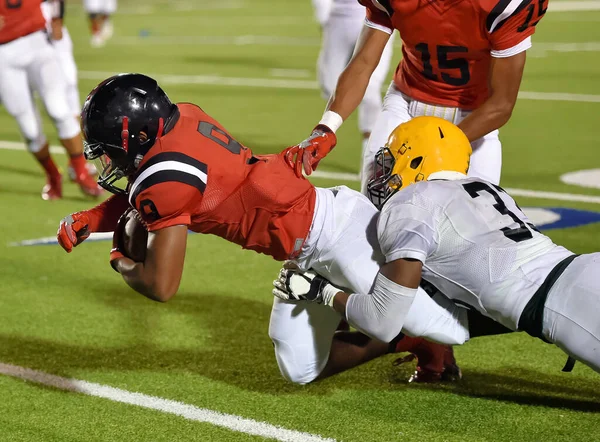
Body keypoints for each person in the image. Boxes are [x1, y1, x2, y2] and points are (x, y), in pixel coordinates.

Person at [56, 74, 472, 384]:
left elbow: (161, 285)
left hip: (336, 233)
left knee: (448, 322)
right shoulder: (183, 117)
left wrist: (118, 260)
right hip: (307, 246)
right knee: (300, 367)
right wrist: (92, 218)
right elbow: (146, 189)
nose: (107, 162)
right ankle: (403, 339)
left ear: (138, 135)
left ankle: (494, 309)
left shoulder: (165, 182)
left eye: (109, 151)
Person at [275, 116, 600, 375]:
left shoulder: (411, 202)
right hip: (578, 272)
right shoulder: (485, 187)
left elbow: (381, 321)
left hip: (565, 304)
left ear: (416, 160)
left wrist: (322, 292)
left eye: (391, 161)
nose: (383, 173)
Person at [288, 0, 548, 192]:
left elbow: (501, 104)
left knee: (478, 228)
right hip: (406, 106)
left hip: (474, 121)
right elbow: (363, 63)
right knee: (376, 212)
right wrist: (326, 127)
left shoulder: (502, 5)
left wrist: (436, 144)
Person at [0, 0, 103, 199]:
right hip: (3, 54)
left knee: (59, 109)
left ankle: (80, 171)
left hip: (38, 42)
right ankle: (53, 175)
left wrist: (57, 18)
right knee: (29, 128)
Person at [312, 0, 394, 164]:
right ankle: (328, 129)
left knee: (370, 87)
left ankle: (370, 150)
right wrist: (322, 13)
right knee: (330, 86)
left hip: (378, 16)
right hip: (338, 18)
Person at [40, 0, 97, 181]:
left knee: (68, 95)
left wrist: (57, 17)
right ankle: (76, 162)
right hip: (32, 31)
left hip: (47, 25)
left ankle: (77, 162)